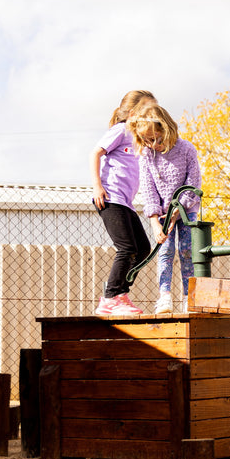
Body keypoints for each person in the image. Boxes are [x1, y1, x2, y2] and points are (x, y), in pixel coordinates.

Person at [127, 104, 201, 314]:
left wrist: (179, 211)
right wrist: (154, 222)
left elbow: (193, 183)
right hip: (162, 214)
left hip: (187, 211)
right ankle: (165, 296)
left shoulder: (186, 149)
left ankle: (190, 297)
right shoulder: (147, 156)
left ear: (167, 129)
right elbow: (149, 190)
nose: (154, 144)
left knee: (187, 251)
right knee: (165, 251)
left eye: (157, 138)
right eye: (148, 140)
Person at [89, 90, 157, 316]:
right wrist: (98, 186)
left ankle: (120, 294)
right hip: (110, 198)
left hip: (126, 203)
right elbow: (95, 154)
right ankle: (110, 297)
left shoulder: (139, 139)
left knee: (143, 248)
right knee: (127, 248)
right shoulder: (120, 130)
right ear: (136, 112)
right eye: (149, 111)